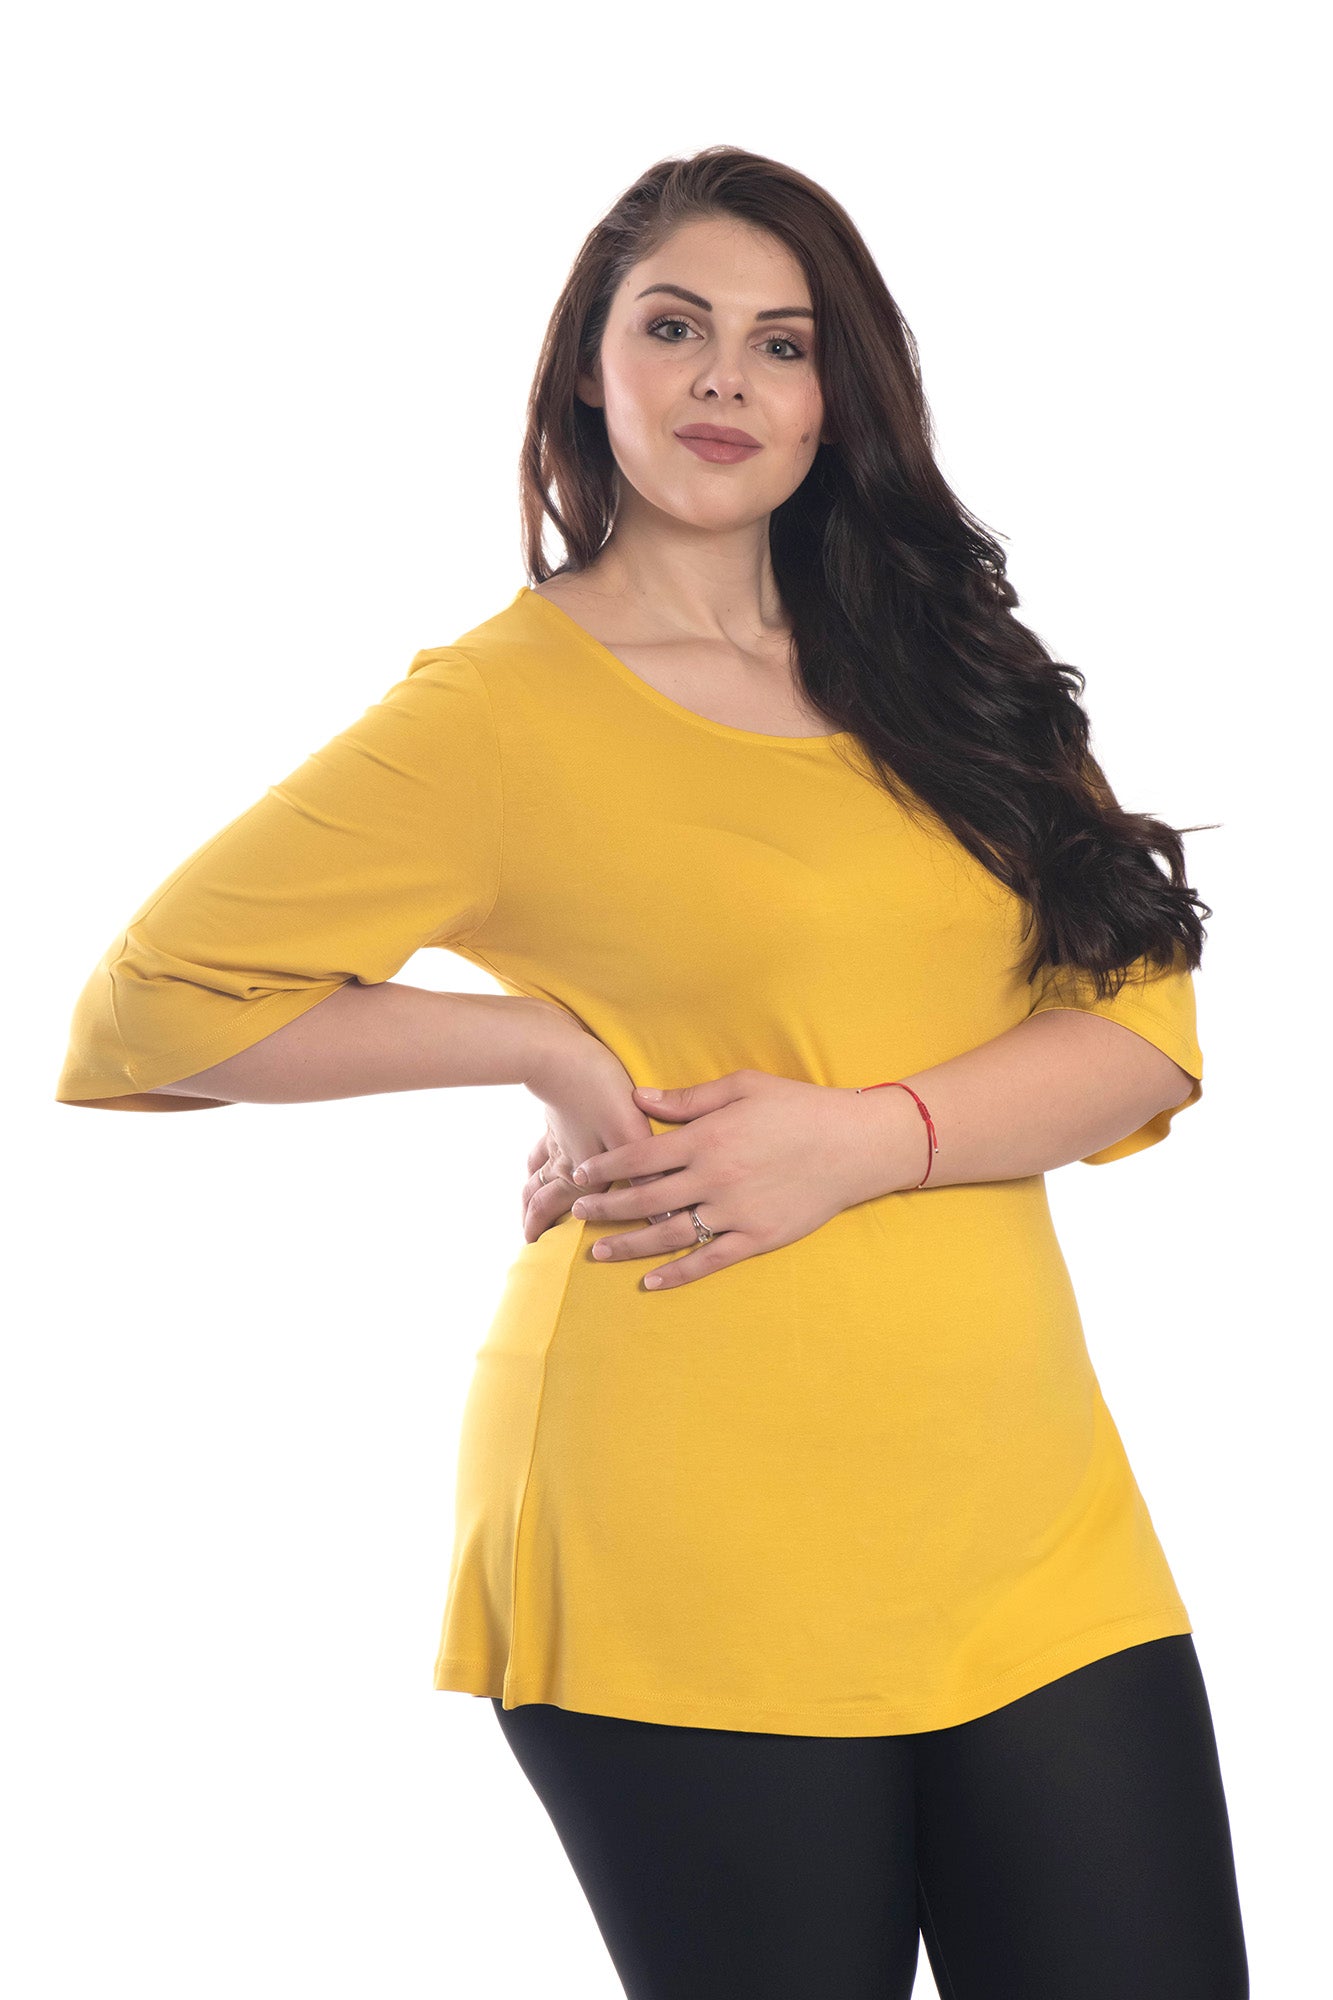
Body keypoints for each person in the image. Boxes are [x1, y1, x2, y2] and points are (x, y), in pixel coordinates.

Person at [55, 145, 1249, 1997]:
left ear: (834, 399)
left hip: (1030, 1517)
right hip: (680, 1519)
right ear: (585, 372)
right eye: (673, 328)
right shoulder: (495, 711)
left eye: (782, 344)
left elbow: (1140, 1035)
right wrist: (537, 1041)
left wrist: (864, 1139)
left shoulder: (949, 667)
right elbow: (152, 1005)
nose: (724, 380)